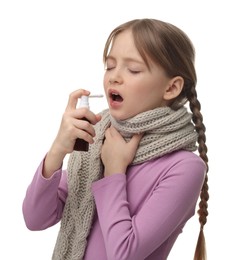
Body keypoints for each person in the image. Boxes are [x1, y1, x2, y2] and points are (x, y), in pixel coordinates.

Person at [22, 18, 209, 260]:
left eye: (133, 70)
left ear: (171, 88)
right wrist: (57, 150)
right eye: (110, 66)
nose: (114, 77)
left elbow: (124, 253)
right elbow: (35, 219)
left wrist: (114, 170)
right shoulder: (98, 137)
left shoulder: (185, 168)